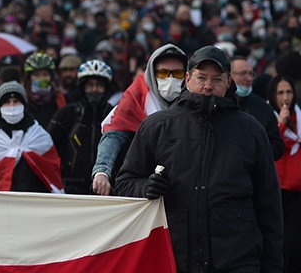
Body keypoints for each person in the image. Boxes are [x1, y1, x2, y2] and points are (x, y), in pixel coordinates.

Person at [115, 46, 284, 272]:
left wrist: (272, 265)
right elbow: (124, 183)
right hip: (174, 257)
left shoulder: (251, 130)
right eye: (201, 77)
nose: (208, 86)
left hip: (237, 259)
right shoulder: (157, 126)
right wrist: (146, 187)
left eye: (216, 79)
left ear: (228, 82)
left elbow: (269, 204)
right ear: (187, 79)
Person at [93, 44, 187, 195]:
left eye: (177, 73)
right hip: (142, 187)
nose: (170, 79)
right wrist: (102, 171)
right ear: (152, 74)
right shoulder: (136, 96)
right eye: (163, 73)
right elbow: (114, 133)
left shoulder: (193, 101)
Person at [0, 81, 64, 193]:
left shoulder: (39, 135)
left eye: (16, 101)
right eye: (7, 102)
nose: (11, 106)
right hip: (2, 205)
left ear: (24, 105)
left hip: (33, 201)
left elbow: (52, 172)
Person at [48, 60, 114, 194]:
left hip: (106, 188)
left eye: (99, 85)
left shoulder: (114, 115)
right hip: (70, 188)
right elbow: (49, 149)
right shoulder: (67, 113)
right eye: (90, 85)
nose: (94, 89)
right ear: (82, 87)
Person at [266, 75, 301, 273]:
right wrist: (281, 124)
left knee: (295, 245)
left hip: (297, 190)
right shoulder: (268, 118)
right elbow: (269, 148)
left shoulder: (299, 117)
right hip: (277, 190)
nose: (285, 97)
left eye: (289, 92)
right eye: (280, 93)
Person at [230, 56, 283, 160]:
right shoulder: (218, 103)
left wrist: (255, 152)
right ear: (228, 76)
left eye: (251, 74)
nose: (249, 78)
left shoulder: (263, 107)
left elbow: (277, 146)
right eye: (243, 73)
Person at [22, 52, 67, 130]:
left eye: (45, 74)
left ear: (51, 77)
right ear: (29, 78)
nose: (41, 78)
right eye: (36, 75)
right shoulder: (22, 102)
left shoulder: (63, 100)